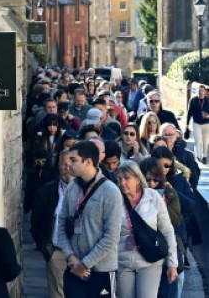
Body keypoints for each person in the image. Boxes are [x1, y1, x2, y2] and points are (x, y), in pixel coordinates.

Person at [53, 140, 123, 297]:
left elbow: (111, 237)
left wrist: (85, 264)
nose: (68, 164)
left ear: (88, 162)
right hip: (73, 268)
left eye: (73, 160)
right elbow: (61, 225)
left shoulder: (110, 192)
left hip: (101, 271)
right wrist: (70, 256)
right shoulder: (72, 188)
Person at [114, 161, 177, 297]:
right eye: (120, 179)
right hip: (122, 261)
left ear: (137, 179)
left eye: (127, 179)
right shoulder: (115, 199)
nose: (122, 183)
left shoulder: (153, 197)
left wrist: (172, 264)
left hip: (150, 261)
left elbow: (167, 230)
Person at [32, 149, 73, 298]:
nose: (68, 168)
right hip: (57, 251)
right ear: (58, 166)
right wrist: (45, 248)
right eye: (64, 164)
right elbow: (36, 223)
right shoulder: (46, 191)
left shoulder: (87, 191)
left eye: (72, 164)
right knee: (57, 293)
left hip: (82, 253)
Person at [187, 85, 209, 163]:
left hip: (206, 124)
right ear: (197, 91)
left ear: (204, 92)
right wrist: (187, 124)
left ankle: (204, 156)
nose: (200, 92)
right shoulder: (193, 100)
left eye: (202, 90)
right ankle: (198, 157)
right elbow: (189, 112)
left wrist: (208, 116)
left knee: (205, 142)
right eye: (199, 90)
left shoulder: (208, 100)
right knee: (197, 140)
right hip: (196, 123)